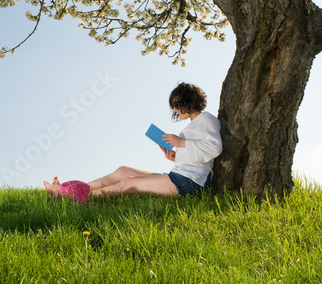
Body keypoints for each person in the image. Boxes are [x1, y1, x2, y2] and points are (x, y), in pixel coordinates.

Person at [43, 82, 223, 198]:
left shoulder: (206, 119)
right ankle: (70, 188)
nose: (175, 109)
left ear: (189, 101)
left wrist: (181, 143)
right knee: (123, 171)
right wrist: (175, 157)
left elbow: (214, 149)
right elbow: (198, 153)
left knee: (128, 184)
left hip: (189, 183)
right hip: (179, 175)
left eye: (177, 104)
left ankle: (70, 195)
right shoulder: (194, 124)